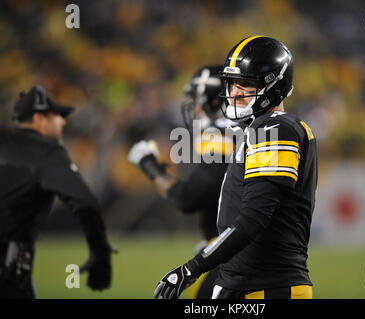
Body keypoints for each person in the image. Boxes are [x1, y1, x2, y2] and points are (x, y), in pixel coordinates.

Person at [153, 36, 318, 299]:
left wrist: (193, 268)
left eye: (247, 83)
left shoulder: (276, 128)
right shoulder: (259, 129)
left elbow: (253, 219)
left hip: (266, 287)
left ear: (275, 86)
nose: (236, 91)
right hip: (244, 283)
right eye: (233, 83)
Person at [128, 65, 234, 299]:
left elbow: (187, 198)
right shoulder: (245, 130)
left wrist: (149, 164)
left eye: (198, 98)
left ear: (216, 101)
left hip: (237, 253)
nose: (194, 106)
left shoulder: (221, 136)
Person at [0, 85, 114, 299]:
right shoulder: (47, 152)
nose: (62, 122)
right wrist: (101, 254)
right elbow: (84, 203)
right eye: (56, 116)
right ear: (38, 119)